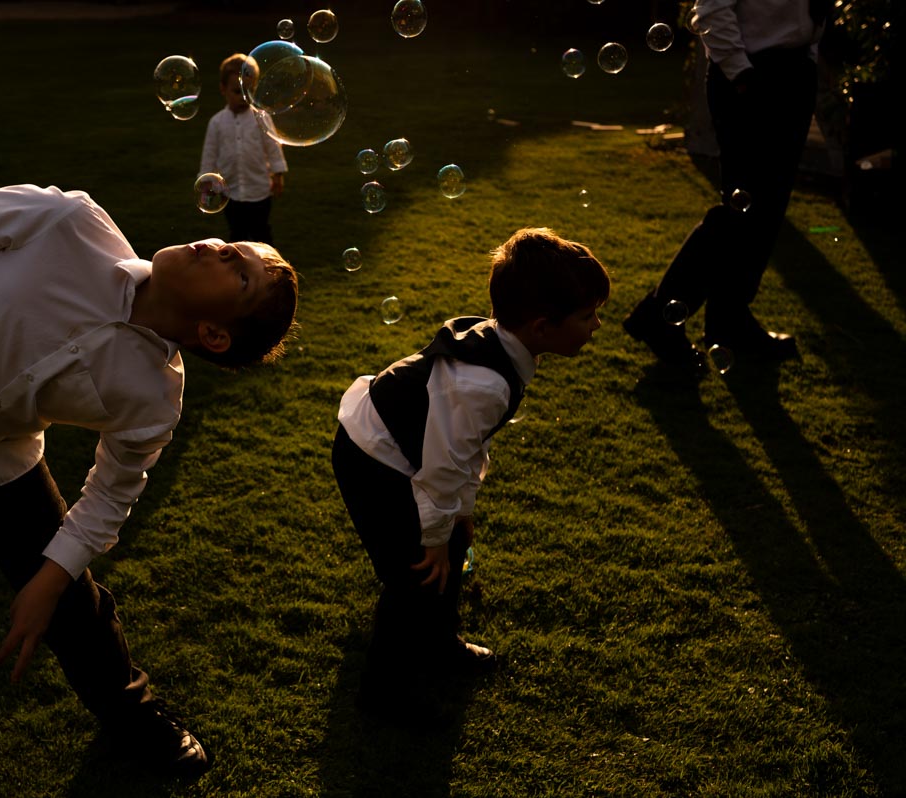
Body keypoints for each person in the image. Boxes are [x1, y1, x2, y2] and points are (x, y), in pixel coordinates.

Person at [0, 183, 298, 796]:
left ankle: (133, 716)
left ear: (213, 335)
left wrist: (49, 578)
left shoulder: (154, 395)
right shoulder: (71, 221)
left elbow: (110, 493)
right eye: (234, 244)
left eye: (240, 272)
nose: (222, 247)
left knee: (73, 604)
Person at [330, 228, 610, 724]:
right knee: (413, 575)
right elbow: (441, 468)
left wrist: (462, 516)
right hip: (374, 457)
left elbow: (465, 451)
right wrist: (434, 536)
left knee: (451, 546)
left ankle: (440, 643)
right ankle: (383, 694)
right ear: (543, 327)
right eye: (588, 316)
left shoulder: (505, 347)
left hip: (402, 449)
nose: (597, 325)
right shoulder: (484, 383)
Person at [623, 0, 826, 372]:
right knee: (742, 210)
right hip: (750, 76)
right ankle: (660, 314)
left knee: (766, 209)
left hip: (793, 72)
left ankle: (730, 321)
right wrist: (743, 76)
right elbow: (713, 9)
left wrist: (807, 55)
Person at [199, 52, 288, 245]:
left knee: (261, 233)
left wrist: (278, 173)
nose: (243, 97)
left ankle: (266, 267)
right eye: (237, 92)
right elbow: (210, 153)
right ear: (223, 89)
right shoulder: (217, 122)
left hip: (260, 190)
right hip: (230, 192)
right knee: (237, 235)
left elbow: (273, 146)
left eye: (249, 91)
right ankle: (238, 270)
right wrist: (206, 179)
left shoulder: (261, 117)